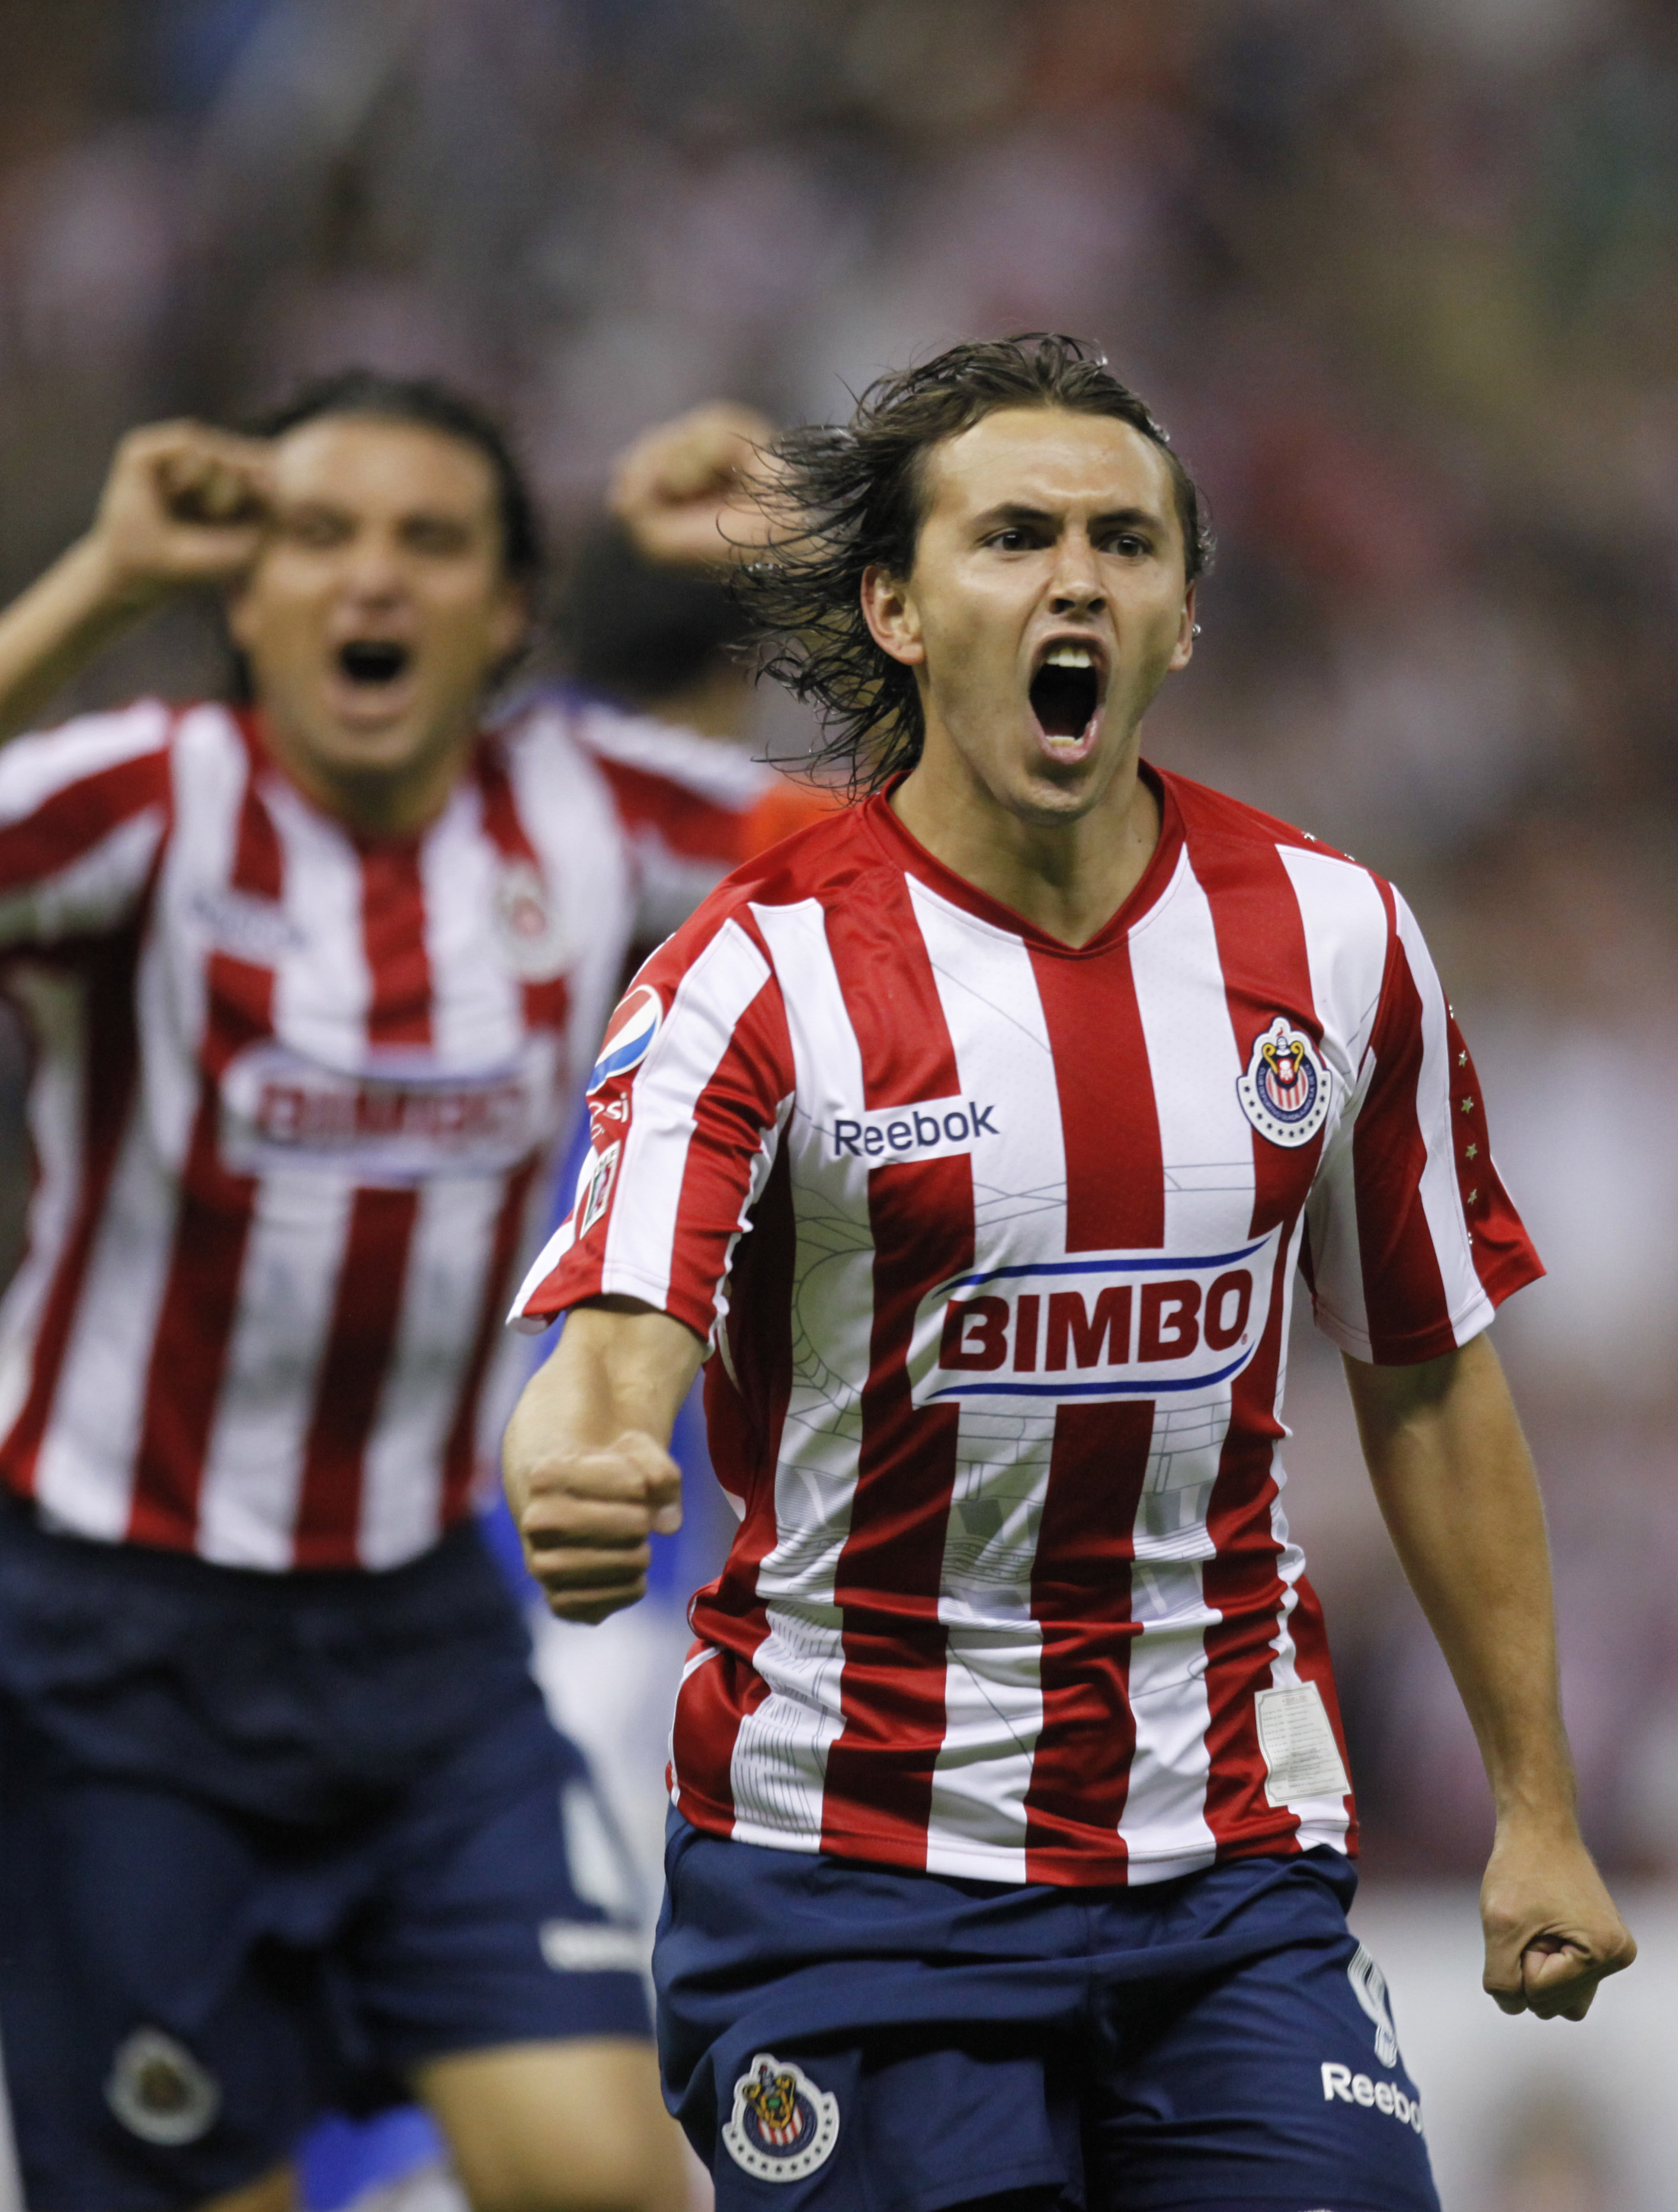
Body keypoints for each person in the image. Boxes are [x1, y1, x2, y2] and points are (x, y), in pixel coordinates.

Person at [501, 335, 1637, 2212]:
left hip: (1233, 1868)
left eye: (1125, 540)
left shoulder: (1336, 939)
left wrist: (1537, 1808)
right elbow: (619, 1351)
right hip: (852, 1876)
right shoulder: (753, 976)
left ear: (1185, 611)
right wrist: (581, 1459)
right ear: (894, 607)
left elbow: (1429, 1372)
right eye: (1014, 534)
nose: (1075, 579)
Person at [0, 369, 812, 2212]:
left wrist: (817, 557)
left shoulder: (595, 811)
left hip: (424, 1643)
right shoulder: (139, 802)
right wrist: (96, 580)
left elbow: (932, 883)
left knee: (611, 2179)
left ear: (511, 612)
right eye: (320, 536)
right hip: (113, 1650)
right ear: (246, 593)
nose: (374, 579)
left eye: (431, 542)